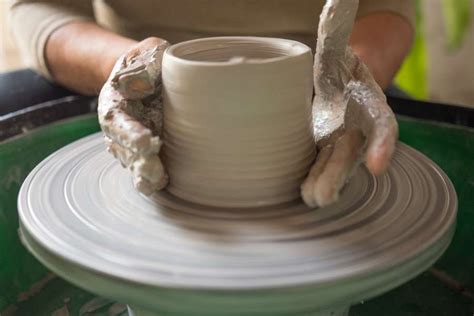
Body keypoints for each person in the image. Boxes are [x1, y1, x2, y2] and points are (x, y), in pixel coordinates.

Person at [9, 0, 414, 206]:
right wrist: (128, 66)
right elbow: (43, 8)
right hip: (138, 68)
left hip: (323, 76)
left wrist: (344, 80)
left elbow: (387, 9)